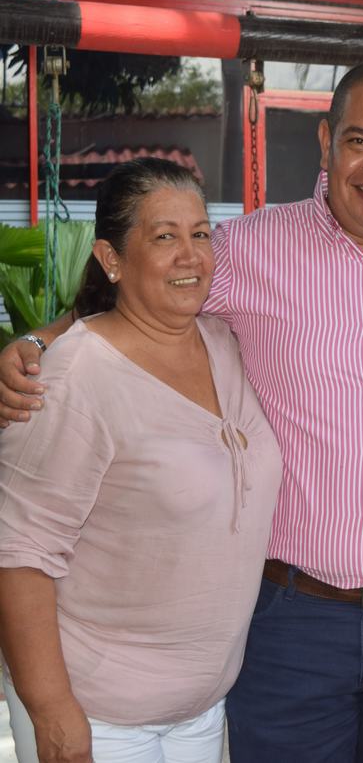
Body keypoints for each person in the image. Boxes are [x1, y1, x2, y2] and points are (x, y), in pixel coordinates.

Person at [0, 62, 363, 762]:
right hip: (289, 622)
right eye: (359, 140)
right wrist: (33, 343)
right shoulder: (244, 250)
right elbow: (140, 292)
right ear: (326, 141)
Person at [0, 158, 283, 763]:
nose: (190, 255)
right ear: (111, 257)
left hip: (199, 712)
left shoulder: (224, 341)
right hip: (97, 718)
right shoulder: (75, 377)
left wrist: (32, 335)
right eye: (164, 236)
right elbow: (19, 554)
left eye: (200, 233)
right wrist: (51, 712)